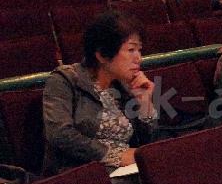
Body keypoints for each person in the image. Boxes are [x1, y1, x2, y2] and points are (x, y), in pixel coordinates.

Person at [43, 11, 156, 174]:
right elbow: (59, 134)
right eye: (131, 50)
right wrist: (115, 156)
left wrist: (145, 103)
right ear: (102, 55)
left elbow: (147, 142)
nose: (139, 58)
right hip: (82, 173)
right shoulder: (66, 79)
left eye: (139, 50)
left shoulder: (123, 86)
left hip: (127, 170)